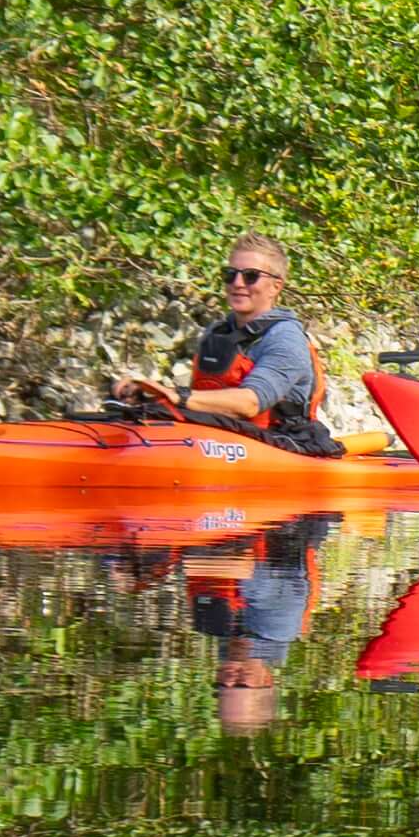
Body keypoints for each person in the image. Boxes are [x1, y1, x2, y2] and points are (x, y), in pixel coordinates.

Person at [119, 232, 342, 457]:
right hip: (218, 443)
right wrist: (150, 394)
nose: (237, 283)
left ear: (276, 286)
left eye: (251, 276)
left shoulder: (286, 339)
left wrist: (179, 396)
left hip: (280, 447)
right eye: (230, 274)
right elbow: (205, 400)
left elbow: (250, 403)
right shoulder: (217, 332)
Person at [180, 510, 338, 734]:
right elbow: (243, 569)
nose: (230, 678)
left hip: (226, 523)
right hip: (288, 515)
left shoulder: (210, 626)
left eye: (222, 684)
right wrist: (185, 560)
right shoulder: (280, 627)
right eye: (242, 684)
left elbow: (196, 562)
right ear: (267, 679)